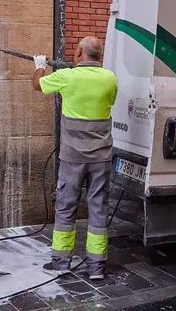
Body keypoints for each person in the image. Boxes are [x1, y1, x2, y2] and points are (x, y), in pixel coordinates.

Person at [32, 36, 118, 280]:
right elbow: (109, 103)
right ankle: (96, 268)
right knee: (99, 208)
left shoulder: (67, 77)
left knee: (66, 206)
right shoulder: (110, 78)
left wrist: (40, 66)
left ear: (80, 51)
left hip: (72, 158)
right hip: (101, 157)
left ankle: (61, 263)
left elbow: (37, 85)